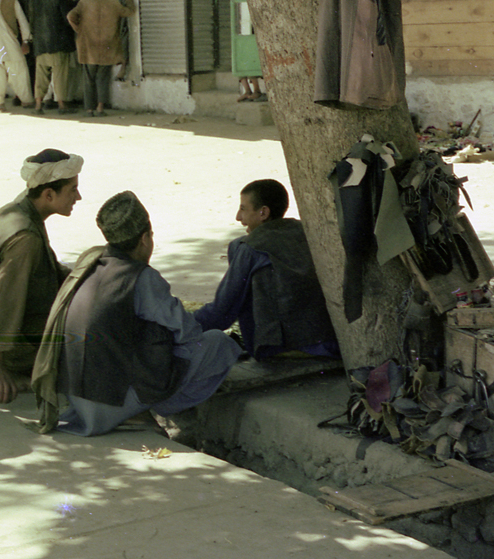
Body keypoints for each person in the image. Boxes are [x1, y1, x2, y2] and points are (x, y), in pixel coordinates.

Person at [35, 191, 241, 436]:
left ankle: (138, 407)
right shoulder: (141, 277)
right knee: (218, 344)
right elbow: (188, 332)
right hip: (107, 406)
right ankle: (146, 411)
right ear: (145, 238)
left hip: (78, 399)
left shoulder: (91, 262)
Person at [0, 149, 82, 404]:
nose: (78, 197)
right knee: (83, 343)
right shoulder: (25, 239)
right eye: (72, 190)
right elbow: (3, 300)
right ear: (49, 194)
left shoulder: (16, 210)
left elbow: (50, 270)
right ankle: (6, 370)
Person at [194, 179, 338, 361]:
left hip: (287, 345)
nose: (238, 217)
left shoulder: (251, 248)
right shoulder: (304, 231)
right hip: (328, 340)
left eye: (243, 209)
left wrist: (180, 327)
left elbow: (222, 312)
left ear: (263, 212)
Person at [67, 0, 135, 117]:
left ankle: (89, 109)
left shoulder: (84, 4)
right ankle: (100, 108)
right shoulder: (114, 4)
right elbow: (130, 11)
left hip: (88, 47)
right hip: (107, 47)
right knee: (103, 79)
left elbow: (70, 16)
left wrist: (79, 30)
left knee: (88, 79)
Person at [27, 0, 76, 114]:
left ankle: (38, 105)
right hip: (57, 43)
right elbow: (67, 19)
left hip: (40, 44)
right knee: (60, 76)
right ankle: (62, 105)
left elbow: (32, 22)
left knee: (41, 77)